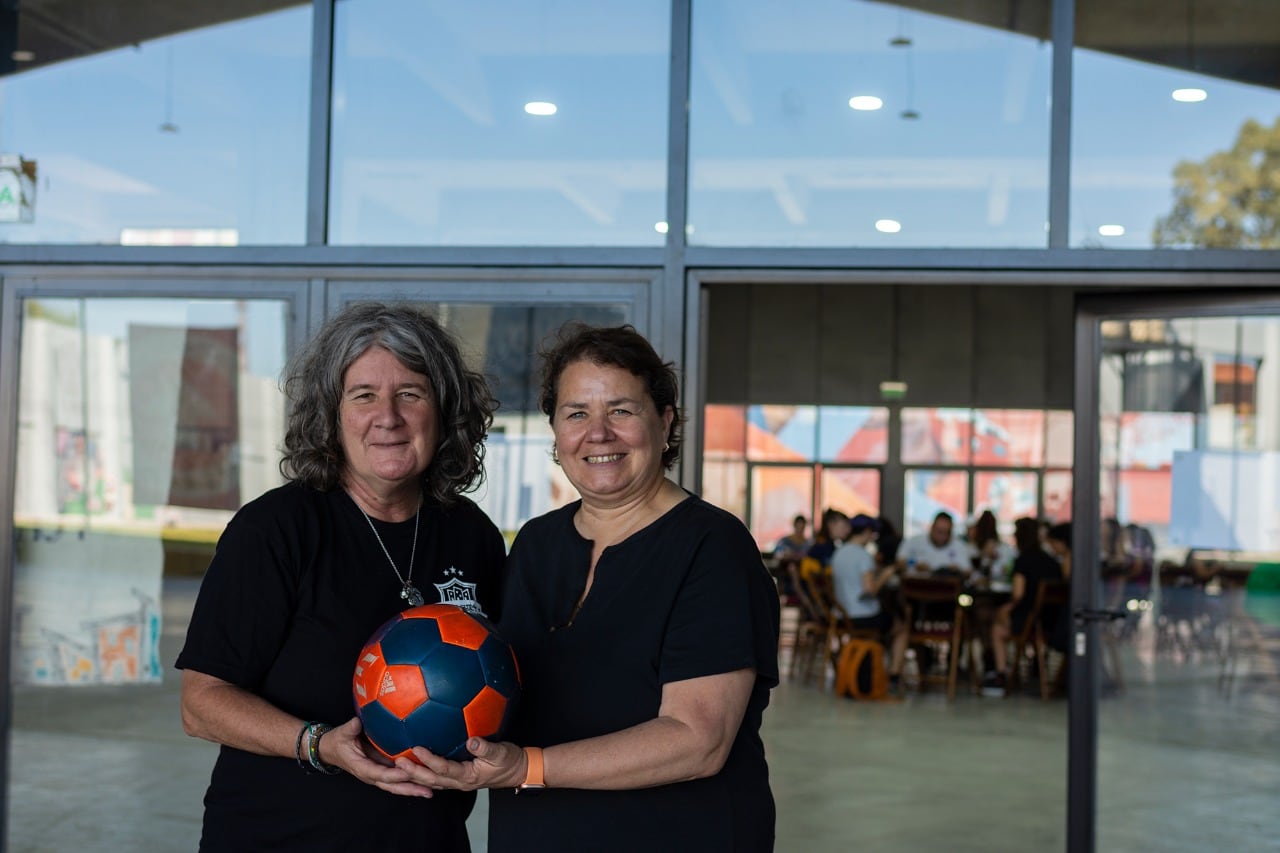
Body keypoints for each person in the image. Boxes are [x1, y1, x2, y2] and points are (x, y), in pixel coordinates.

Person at [398, 322, 781, 853]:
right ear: (556, 431)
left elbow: (698, 740)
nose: (597, 433)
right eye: (576, 413)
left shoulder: (713, 547)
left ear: (665, 422)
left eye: (621, 410)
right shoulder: (535, 544)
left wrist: (525, 767)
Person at [175, 303, 507, 851]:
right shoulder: (275, 529)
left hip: (427, 838)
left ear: (444, 411)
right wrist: (319, 744)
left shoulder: (473, 535)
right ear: (331, 416)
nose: (389, 417)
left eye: (411, 393)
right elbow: (201, 702)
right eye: (364, 396)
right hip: (280, 836)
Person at [985, 517, 1065, 696]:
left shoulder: (1023, 560)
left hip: (1030, 621)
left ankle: (1001, 674)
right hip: (1051, 621)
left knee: (997, 627)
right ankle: (1034, 665)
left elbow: (1018, 595)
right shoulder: (1052, 562)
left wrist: (1006, 609)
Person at [830, 513, 908, 692]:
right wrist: (887, 574)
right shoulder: (863, 556)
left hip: (842, 615)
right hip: (863, 616)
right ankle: (894, 674)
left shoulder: (839, 553)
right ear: (866, 532)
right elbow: (870, 589)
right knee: (901, 626)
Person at [895, 511, 970, 575]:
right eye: (939, 532)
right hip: (915, 585)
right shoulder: (913, 541)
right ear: (931, 528)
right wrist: (915, 564)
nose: (942, 536)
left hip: (948, 588)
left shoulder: (960, 546)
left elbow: (968, 571)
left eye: (947, 532)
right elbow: (899, 562)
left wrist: (956, 571)